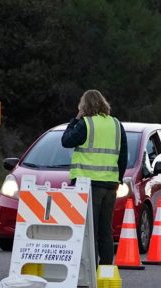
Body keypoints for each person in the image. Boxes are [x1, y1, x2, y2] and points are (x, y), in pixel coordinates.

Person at [61, 89, 127, 265]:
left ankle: (89, 270)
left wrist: (75, 119)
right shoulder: (116, 124)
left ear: (84, 106)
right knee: (105, 229)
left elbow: (66, 140)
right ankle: (105, 269)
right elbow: (123, 156)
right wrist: (118, 179)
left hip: (88, 183)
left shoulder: (85, 124)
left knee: (90, 229)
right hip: (110, 184)